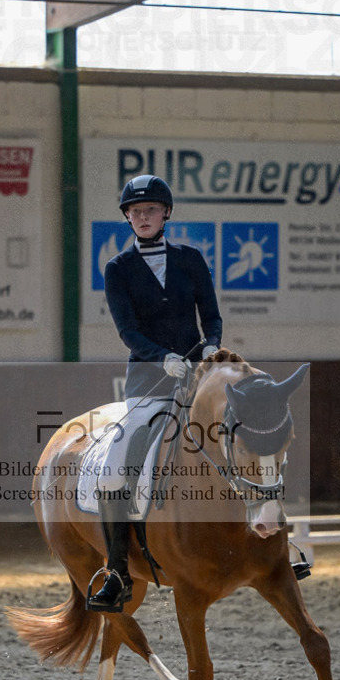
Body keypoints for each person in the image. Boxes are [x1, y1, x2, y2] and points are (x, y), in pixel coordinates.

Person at [87, 174, 223, 612]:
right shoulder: (117, 268)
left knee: (243, 435)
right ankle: (117, 569)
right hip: (149, 382)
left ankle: (274, 538)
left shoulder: (191, 259)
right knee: (115, 466)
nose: (143, 217)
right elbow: (127, 330)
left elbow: (212, 315)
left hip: (197, 377)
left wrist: (213, 345)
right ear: (127, 217)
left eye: (151, 210)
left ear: (166, 213)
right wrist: (162, 356)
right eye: (135, 211)